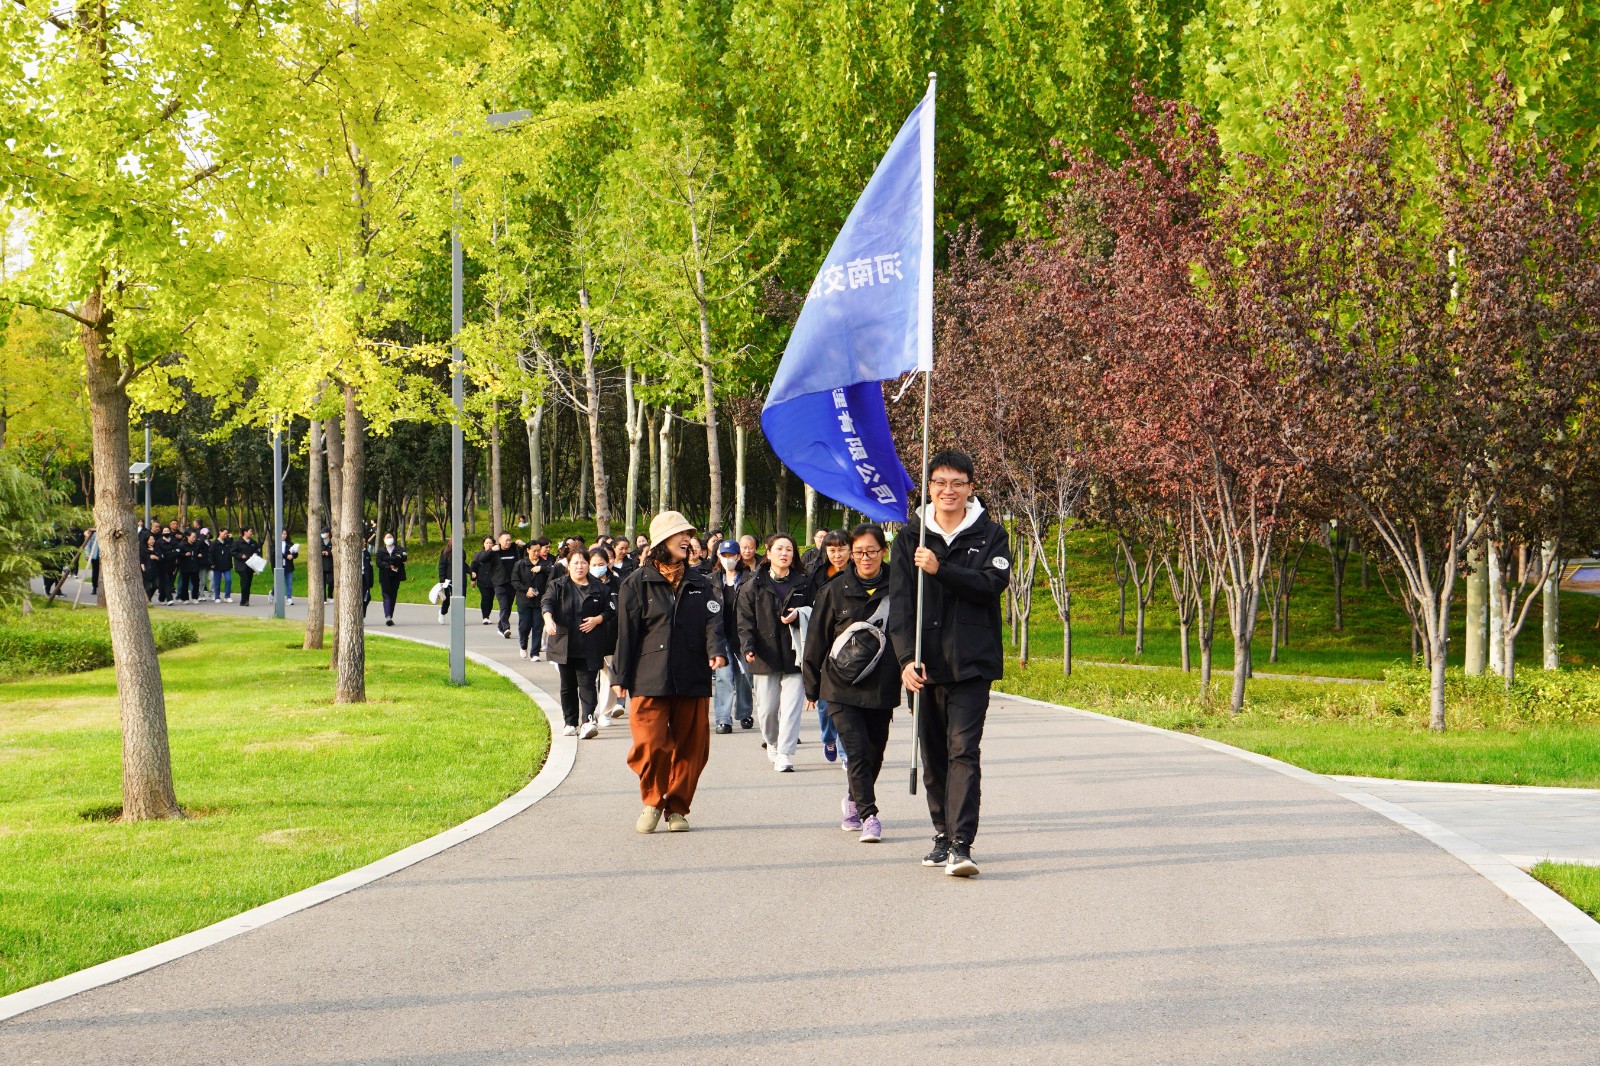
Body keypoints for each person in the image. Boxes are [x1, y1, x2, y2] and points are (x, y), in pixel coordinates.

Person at [889, 449, 1011, 878]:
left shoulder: (991, 534)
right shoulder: (910, 539)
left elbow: (992, 584)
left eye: (958, 483)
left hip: (972, 663)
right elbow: (901, 606)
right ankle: (941, 833)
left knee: (963, 750)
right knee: (935, 754)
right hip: (925, 666)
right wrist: (905, 659)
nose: (949, 490)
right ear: (929, 488)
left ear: (970, 488)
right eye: (940, 482)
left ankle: (962, 844)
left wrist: (941, 569)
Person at [612, 511, 726, 834]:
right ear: (663, 541)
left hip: (692, 676)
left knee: (693, 748)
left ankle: (677, 807)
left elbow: (713, 622)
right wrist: (619, 677)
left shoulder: (701, 583)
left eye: (689, 534)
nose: (687, 539)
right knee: (650, 745)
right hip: (649, 676)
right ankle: (652, 801)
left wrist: (715, 651)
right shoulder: (636, 583)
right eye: (680, 534)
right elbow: (626, 634)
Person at [804, 524, 900, 843]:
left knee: (874, 753)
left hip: (882, 685)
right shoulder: (834, 590)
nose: (865, 557)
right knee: (856, 751)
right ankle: (869, 815)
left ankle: (852, 797)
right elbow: (815, 640)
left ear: (883, 551)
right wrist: (811, 687)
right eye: (859, 552)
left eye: (872, 551)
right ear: (850, 554)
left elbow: (911, 635)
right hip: (841, 686)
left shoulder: (900, 586)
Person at [737, 531, 814, 773]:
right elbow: (745, 622)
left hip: (795, 653)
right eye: (779, 549)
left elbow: (816, 612)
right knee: (768, 709)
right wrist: (748, 647)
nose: (784, 553)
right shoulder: (752, 586)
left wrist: (800, 615)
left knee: (791, 709)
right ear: (768, 554)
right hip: (765, 654)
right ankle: (771, 741)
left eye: (789, 549)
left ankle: (784, 753)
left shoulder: (804, 583)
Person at [543, 547, 616, 739]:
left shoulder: (600, 588)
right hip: (564, 644)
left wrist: (597, 620)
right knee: (567, 685)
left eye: (583, 562)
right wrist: (548, 620)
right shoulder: (557, 585)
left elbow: (610, 611)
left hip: (589, 645)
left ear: (588, 565)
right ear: (568, 566)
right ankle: (570, 722)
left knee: (588, 685)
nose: (580, 566)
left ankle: (588, 722)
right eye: (575, 563)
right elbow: (547, 603)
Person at [807, 529, 853, 763]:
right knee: (825, 705)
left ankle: (846, 753)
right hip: (824, 645)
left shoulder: (858, 574)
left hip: (851, 646)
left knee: (845, 704)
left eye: (841, 549)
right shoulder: (816, 574)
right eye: (832, 550)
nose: (837, 555)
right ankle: (828, 738)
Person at [710, 538, 754, 734]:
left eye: (732, 555)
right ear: (719, 557)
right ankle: (723, 719)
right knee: (724, 677)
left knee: (744, 676)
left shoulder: (749, 579)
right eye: (724, 555)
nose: (728, 559)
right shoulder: (711, 581)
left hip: (743, 635)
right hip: (720, 635)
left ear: (738, 557)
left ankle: (744, 713)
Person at [511, 541, 550, 659]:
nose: (536, 553)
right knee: (525, 626)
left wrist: (541, 569)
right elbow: (514, 581)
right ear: (528, 550)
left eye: (538, 550)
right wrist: (525, 589)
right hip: (524, 600)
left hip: (540, 600)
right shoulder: (520, 564)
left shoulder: (545, 564)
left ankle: (535, 653)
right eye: (534, 551)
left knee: (538, 626)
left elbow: (553, 572)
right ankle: (523, 645)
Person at [491, 532, 521, 639]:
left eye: (509, 540)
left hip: (512, 583)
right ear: (499, 540)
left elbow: (527, 552)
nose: (508, 542)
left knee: (508, 606)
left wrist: (523, 544)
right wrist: (490, 550)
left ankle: (500, 627)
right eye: (506, 540)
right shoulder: (495, 551)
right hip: (500, 583)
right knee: (503, 605)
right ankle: (506, 628)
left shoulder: (514, 549)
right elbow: (480, 558)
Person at [375, 533, 407, 626]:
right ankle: (388, 616)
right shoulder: (381, 551)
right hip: (385, 576)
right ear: (384, 539)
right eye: (387, 537)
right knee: (386, 595)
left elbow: (404, 557)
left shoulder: (399, 549)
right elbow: (378, 562)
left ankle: (390, 615)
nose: (389, 539)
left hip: (395, 575)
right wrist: (389, 565)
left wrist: (394, 560)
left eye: (390, 537)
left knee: (393, 595)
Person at [435, 538, 461, 623]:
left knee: (457, 600)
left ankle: (457, 618)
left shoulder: (461, 551)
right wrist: (442, 580)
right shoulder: (445, 552)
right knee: (447, 599)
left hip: (458, 580)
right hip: (447, 581)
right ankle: (442, 612)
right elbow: (442, 566)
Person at [233, 527, 261, 606]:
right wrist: (240, 556)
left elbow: (258, 551)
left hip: (251, 566)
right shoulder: (238, 542)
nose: (251, 533)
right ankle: (243, 600)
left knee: (248, 583)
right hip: (241, 566)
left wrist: (256, 554)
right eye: (250, 531)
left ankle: (246, 600)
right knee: (244, 583)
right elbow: (232, 552)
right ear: (245, 532)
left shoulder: (253, 542)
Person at [471, 536, 496, 624]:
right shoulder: (479, 555)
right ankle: (485, 616)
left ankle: (487, 615)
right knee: (485, 597)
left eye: (490, 543)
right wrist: (473, 579)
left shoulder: (495, 554)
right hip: (482, 580)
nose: (488, 545)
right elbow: (474, 567)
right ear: (484, 544)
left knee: (491, 598)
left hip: (493, 580)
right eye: (487, 543)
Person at [176, 530, 204, 603]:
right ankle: (185, 598)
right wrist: (184, 555)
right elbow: (177, 554)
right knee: (185, 583)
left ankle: (195, 597)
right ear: (188, 537)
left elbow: (201, 551)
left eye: (195, 537)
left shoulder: (196, 545)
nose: (194, 538)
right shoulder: (182, 545)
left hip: (195, 566)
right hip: (185, 566)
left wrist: (200, 554)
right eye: (193, 537)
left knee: (196, 582)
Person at [210, 529, 234, 603]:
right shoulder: (214, 543)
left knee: (228, 580)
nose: (225, 535)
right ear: (220, 532)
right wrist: (211, 563)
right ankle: (217, 596)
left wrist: (231, 539)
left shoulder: (228, 542)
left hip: (226, 565)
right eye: (224, 533)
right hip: (217, 565)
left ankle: (227, 596)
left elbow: (233, 548)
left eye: (227, 534)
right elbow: (210, 554)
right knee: (217, 581)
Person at [277, 531, 299, 605]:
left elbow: (296, 553)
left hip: (288, 566)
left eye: (285, 534)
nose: (283, 535)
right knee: (279, 582)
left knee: (289, 582)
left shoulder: (290, 544)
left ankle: (289, 598)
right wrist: (286, 556)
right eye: (282, 534)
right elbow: (276, 553)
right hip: (279, 565)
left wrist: (292, 555)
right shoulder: (276, 543)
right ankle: (273, 593)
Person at [140, 534, 162, 602]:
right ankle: (148, 600)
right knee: (147, 587)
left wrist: (156, 557)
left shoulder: (157, 549)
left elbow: (161, 557)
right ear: (147, 541)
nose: (153, 541)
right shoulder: (143, 550)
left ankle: (148, 598)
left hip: (156, 569)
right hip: (147, 569)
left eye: (153, 539)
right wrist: (144, 570)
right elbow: (142, 561)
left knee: (156, 585)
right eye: (151, 539)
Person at [318, 530, 335, 602]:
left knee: (331, 581)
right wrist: (321, 552)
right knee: (323, 582)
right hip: (322, 564)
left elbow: (335, 550)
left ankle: (330, 595)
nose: (323, 534)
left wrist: (329, 553)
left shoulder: (332, 541)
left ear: (328, 533)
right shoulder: (320, 542)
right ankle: (324, 598)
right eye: (322, 533)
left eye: (324, 533)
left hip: (330, 564)